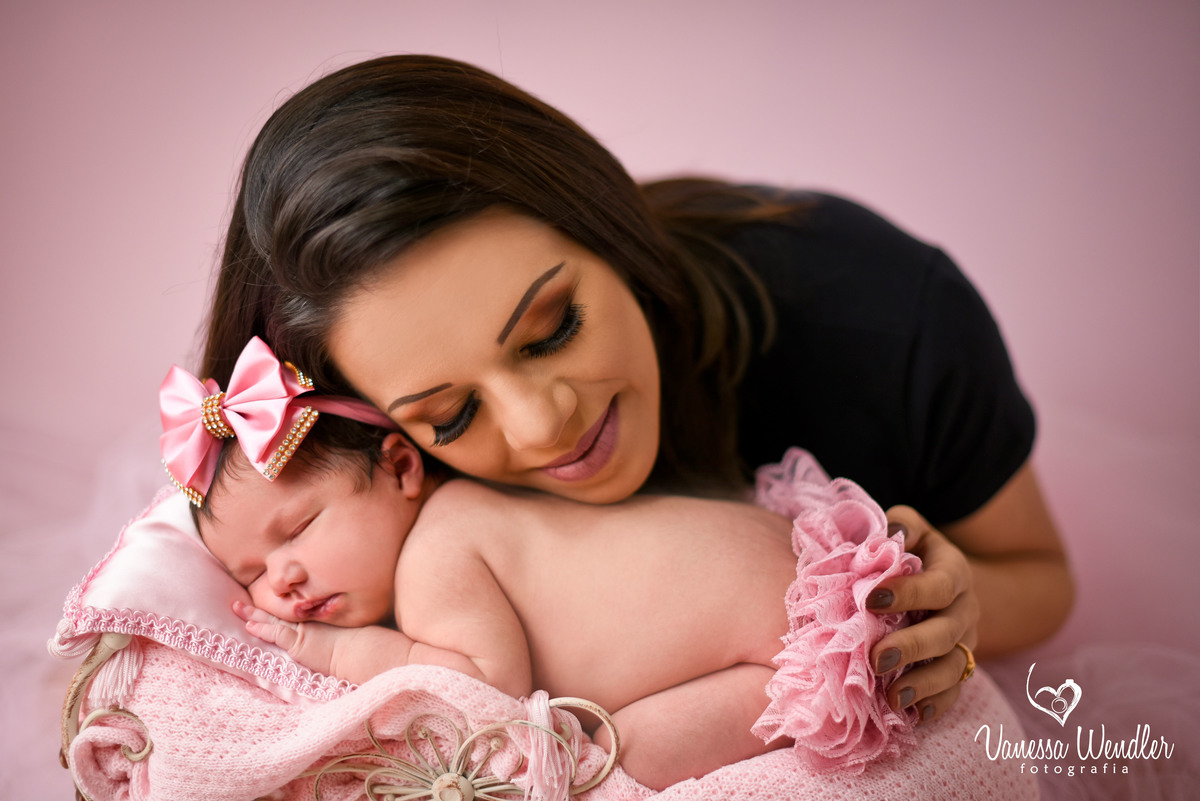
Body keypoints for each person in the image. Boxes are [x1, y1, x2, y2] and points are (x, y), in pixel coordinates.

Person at [198, 54, 1073, 728]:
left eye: (554, 329)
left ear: (606, 225)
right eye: (451, 415)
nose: (544, 426)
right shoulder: (382, 501)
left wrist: (948, 606)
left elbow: (1045, 576)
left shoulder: (880, 312)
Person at [160, 338, 920, 790]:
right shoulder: (479, 503)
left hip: (790, 643)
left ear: (400, 468)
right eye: (250, 572)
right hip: (808, 564)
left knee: (599, 759)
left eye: (298, 528)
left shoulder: (438, 552)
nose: (281, 581)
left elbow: (483, 688)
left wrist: (318, 647)